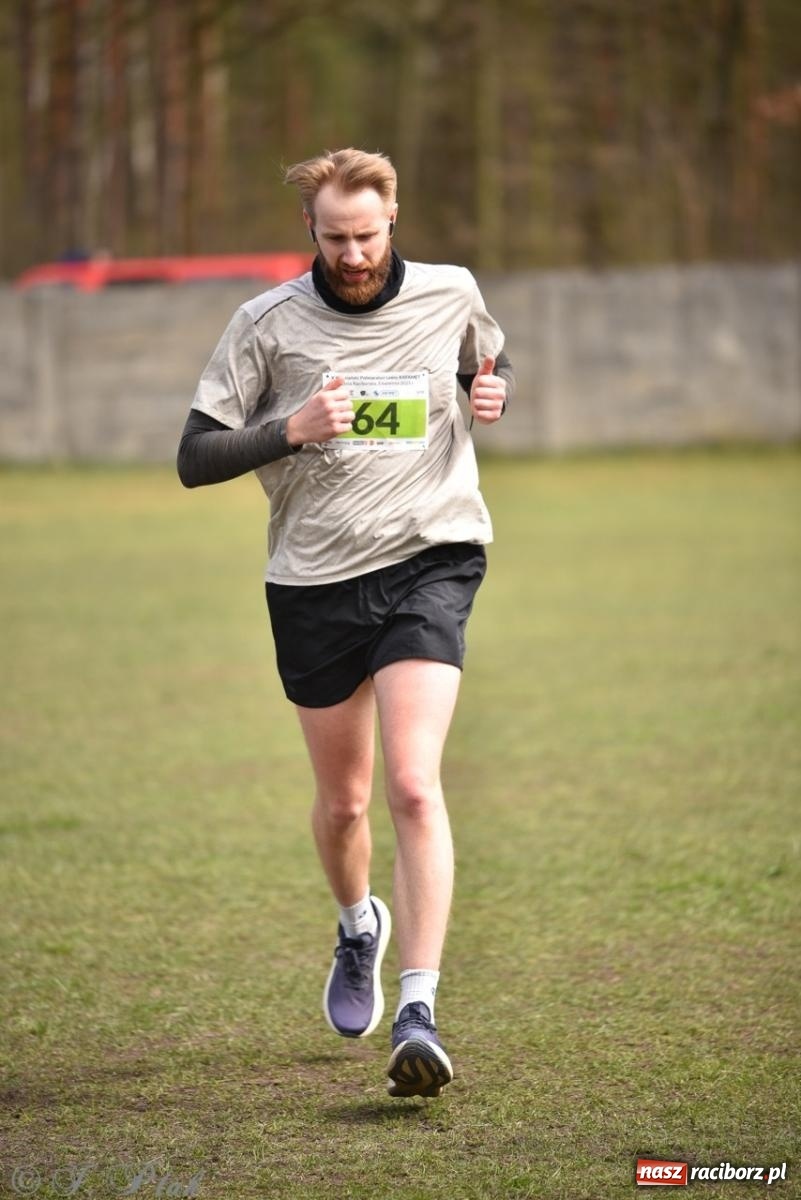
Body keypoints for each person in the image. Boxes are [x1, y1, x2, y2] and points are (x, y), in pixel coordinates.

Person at [177, 148, 513, 1098]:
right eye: (335, 238)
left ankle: (420, 1007)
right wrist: (291, 430)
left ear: (393, 219)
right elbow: (194, 456)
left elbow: (486, 358)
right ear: (310, 233)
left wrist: (495, 391)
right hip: (315, 583)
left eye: (367, 235)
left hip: (431, 557)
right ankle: (358, 923)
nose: (354, 254)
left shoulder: (450, 291)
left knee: (413, 784)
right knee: (346, 805)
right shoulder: (266, 325)